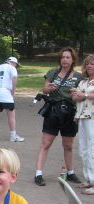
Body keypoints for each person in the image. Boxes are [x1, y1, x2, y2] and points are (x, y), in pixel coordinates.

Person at [34, 47, 84, 186]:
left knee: (68, 145)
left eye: (68, 57)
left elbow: (80, 96)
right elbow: (44, 89)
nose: (64, 60)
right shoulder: (53, 73)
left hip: (69, 113)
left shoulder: (79, 77)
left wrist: (76, 94)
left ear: (73, 59)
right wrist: (48, 89)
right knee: (46, 143)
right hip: (53, 112)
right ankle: (38, 174)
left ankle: (71, 172)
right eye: (62, 57)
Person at [71, 54, 94, 195]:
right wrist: (83, 94)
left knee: (93, 149)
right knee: (84, 149)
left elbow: (82, 96)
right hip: (82, 117)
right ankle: (89, 179)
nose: (89, 66)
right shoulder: (83, 82)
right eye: (87, 64)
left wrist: (83, 95)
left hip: (92, 118)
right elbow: (74, 97)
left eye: (92, 64)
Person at [0, 56, 24, 143]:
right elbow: (15, 78)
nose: (16, 66)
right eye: (16, 64)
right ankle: (13, 136)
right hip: (6, 93)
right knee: (11, 116)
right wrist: (13, 90)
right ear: (13, 63)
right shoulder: (12, 68)